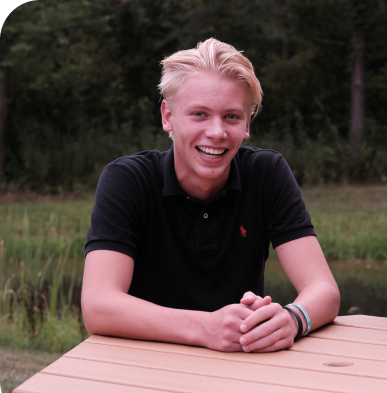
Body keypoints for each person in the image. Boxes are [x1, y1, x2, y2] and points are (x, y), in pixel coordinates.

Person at [81, 38, 340, 353]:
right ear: (168, 117)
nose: (217, 132)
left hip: (236, 370)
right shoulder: (128, 179)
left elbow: (324, 290)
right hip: (142, 368)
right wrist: (205, 327)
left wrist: (292, 319)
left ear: (247, 123)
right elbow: (97, 306)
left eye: (231, 116)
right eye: (199, 114)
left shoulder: (266, 173)